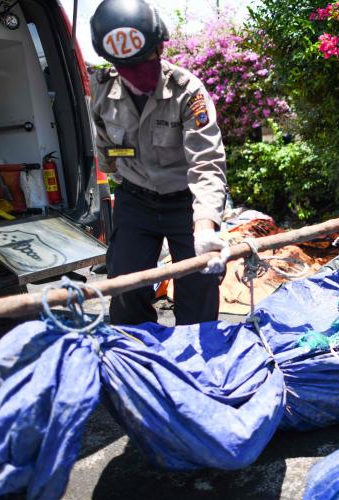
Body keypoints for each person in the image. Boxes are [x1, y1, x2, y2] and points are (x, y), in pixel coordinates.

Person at [89, 0, 229, 326]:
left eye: (143, 63)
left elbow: (207, 162)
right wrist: (121, 186)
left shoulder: (187, 92)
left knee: (198, 291)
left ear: (159, 48)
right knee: (125, 289)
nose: (137, 76)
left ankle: (195, 369)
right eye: (127, 67)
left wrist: (206, 226)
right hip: (135, 199)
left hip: (186, 203)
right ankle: (138, 361)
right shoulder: (102, 89)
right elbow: (105, 149)